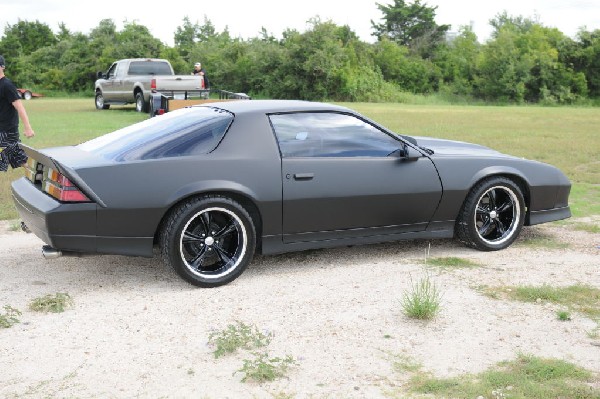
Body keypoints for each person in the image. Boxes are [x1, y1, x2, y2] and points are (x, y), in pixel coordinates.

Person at [0, 55, 34, 172]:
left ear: (2, 67)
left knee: (19, 157)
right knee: (17, 157)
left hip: (7, 130)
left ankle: (37, 173)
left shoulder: (7, 85)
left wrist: (28, 127)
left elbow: (20, 107)